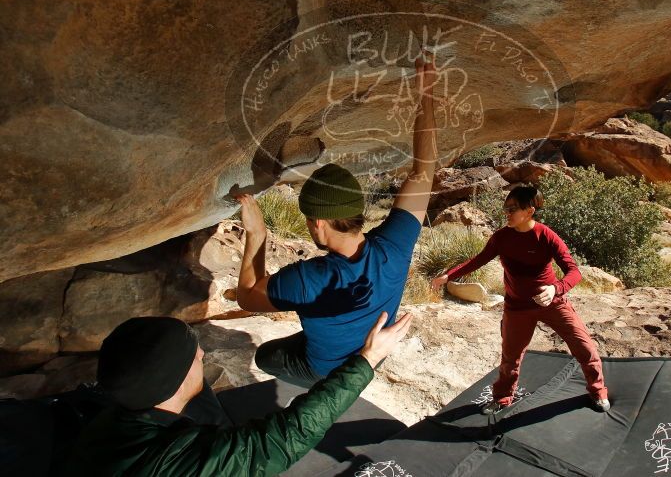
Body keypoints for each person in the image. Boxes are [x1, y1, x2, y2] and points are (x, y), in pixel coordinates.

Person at [235, 54, 438, 387]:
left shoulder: (306, 280)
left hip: (328, 371)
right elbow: (423, 170)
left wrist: (257, 234)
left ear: (317, 223)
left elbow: (247, 296)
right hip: (371, 355)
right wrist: (425, 93)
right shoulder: (396, 245)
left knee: (265, 356)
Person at [63, 312, 412, 475]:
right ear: (173, 379)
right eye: (192, 354)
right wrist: (368, 358)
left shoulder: (109, 421)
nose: (202, 355)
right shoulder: (179, 462)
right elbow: (286, 438)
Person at [431, 185, 610, 414]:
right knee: (510, 358)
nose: (506, 212)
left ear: (529, 210)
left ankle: (597, 391)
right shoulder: (502, 238)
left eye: (512, 208)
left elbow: (574, 272)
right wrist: (448, 276)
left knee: (584, 347)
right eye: (506, 207)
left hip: (552, 304)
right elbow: (478, 260)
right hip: (516, 308)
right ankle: (502, 398)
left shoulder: (546, 236)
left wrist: (556, 289)